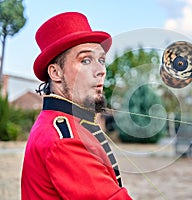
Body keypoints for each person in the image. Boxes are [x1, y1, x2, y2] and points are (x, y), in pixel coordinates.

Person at [21, 12, 132, 199]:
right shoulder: (65, 140)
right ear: (56, 72)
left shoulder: (65, 123)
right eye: (85, 60)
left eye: (101, 60)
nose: (101, 71)